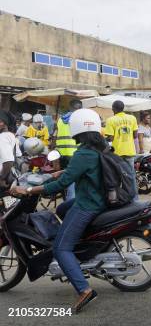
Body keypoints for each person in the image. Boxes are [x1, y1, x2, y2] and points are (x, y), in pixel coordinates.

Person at [10, 108, 106, 312]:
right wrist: (62, 171)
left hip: (87, 205)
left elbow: (60, 185)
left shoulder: (83, 153)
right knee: (62, 208)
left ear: (78, 129)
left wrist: (28, 189)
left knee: (61, 248)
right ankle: (78, 245)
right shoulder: (100, 148)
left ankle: (84, 290)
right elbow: (83, 170)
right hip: (95, 199)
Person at [105, 100, 138, 198]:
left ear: (113, 109)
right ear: (123, 108)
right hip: (129, 151)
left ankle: (120, 198)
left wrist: (103, 139)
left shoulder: (111, 120)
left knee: (117, 176)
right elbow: (135, 135)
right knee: (130, 176)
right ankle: (134, 198)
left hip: (117, 153)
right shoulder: (132, 118)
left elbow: (110, 138)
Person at [53, 100, 82, 200]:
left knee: (65, 179)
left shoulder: (60, 120)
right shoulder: (78, 119)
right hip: (74, 154)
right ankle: (69, 205)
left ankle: (66, 201)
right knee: (73, 182)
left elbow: (55, 137)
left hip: (60, 154)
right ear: (79, 108)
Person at [0, 111, 19, 194]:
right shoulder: (11, 135)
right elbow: (18, 155)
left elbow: (8, 161)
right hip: (10, 176)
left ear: (2, 123)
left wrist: (1, 179)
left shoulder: (2, 137)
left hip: (3, 178)